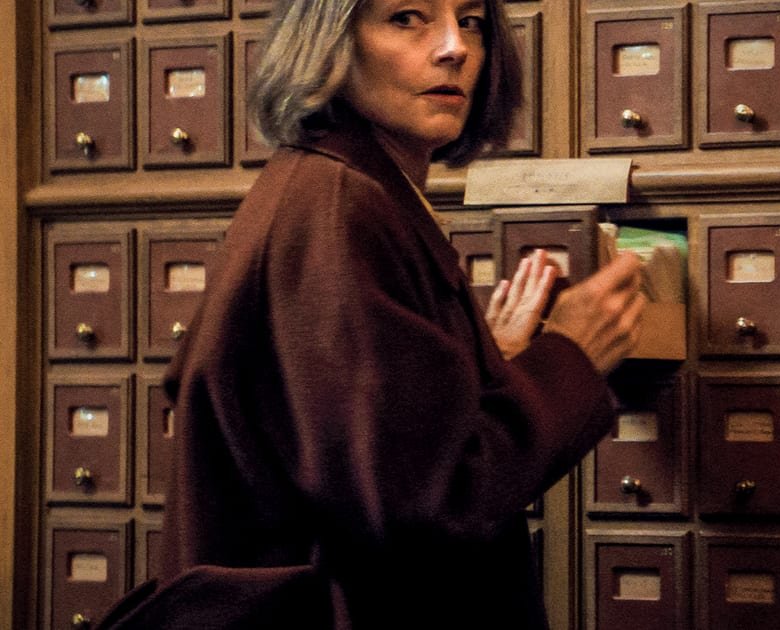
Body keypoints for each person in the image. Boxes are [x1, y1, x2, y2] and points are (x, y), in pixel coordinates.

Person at [96, 0, 645, 627]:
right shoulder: (341, 207)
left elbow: (362, 442)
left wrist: (486, 366)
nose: (455, 48)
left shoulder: (347, 187)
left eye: (470, 21)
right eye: (407, 17)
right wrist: (570, 357)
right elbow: (425, 505)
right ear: (330, 42)